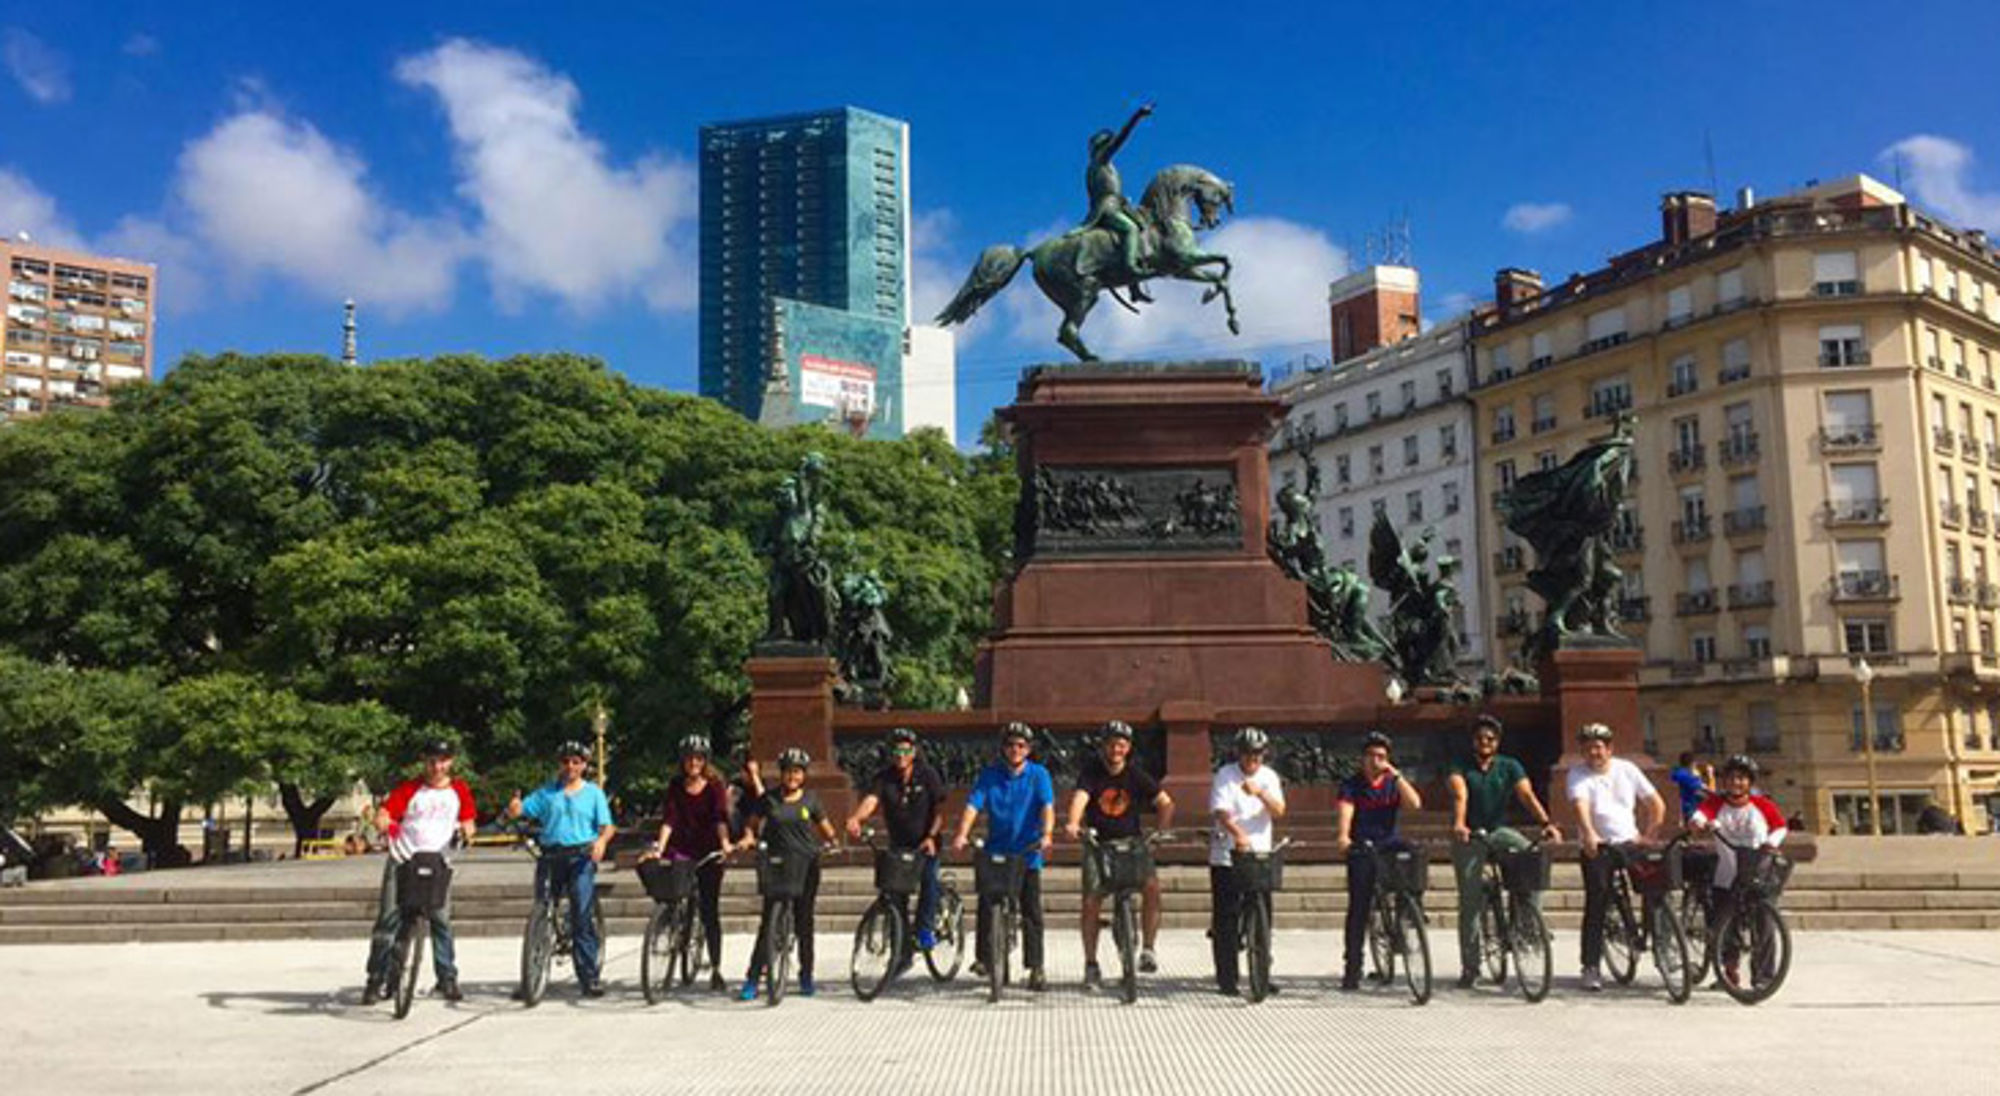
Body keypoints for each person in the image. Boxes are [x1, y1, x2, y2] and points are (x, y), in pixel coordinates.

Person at [1447, 715, 1561, 989]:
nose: (1485, 743)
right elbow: (1460, 796)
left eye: (1490, 738)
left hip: (1498, 830)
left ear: (1497, 742)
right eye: (1480, 738)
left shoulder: (1509, 765)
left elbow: (1527, 796)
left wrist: (1546, 824)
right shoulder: (1460, 765)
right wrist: (1460, 824)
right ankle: (1471, 967)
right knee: (1471, 901)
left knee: (1531, 857)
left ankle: (1529, 922)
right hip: (1470, 834)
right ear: (1473, 741)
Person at [363, 739, 476, 1005]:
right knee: (388, 920)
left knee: (441, 920)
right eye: (432, 761)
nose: (437, 766)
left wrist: (467, 832)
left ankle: (447, 977)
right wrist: (382, 821)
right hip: (404, 858)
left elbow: (469, 821)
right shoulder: (411, 789)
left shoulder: (459, 790)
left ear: (450, 762)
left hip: (439, 863)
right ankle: (375, 980)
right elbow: (386, 812)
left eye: (442, 760)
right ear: (425, 762)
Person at [1063, 720, 1175, 988]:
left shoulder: (1136, 774)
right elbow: (1081, 798)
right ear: (1104, 747)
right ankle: (1091, 963)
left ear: (1128, 748)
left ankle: (1148, 948)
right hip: (1098, 844)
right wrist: (1073, 823)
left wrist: (1161, 831)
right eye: (1112, 744)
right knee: (1091, 900)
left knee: (1151, 888)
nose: (1116, 749)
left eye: (1121, 745)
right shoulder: (1092, 772)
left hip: (1131, 844)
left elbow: (1165, 803)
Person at [951, 721, 1056, 992]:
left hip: (1027, 852)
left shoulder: (1039, 774)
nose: (1015, 750)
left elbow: (1047, 806)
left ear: (1029, 749)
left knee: (1031, 910)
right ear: (1003, 748)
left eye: (1021, 745)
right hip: (997, 849)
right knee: (988, 902)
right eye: (1010, 744)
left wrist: (1046, 834)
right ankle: (986, 959)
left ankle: (1036, 967)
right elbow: (974, 804)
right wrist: (962, 833)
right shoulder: (990, 775)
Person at [507, 741, 617, 998]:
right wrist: (515, 808)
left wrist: (601, 842)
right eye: (566, 761)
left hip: (580, 856)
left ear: (584, 766)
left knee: (581, 911)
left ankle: (589, 975)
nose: (570, 767)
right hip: (551, 854)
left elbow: (607, 826)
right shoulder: (547, 793)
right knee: (542, 908)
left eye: (576, 762)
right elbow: (523, 809)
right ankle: (532, 975)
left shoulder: (593, 794)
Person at [1566, 722, 1667, 992]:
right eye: (1588, 748)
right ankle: (1590, 965)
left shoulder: (1628, 769)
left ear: (1610, 749)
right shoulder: (1577, 774)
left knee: (1657, 887)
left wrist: (1650, 835)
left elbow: (1656, 803)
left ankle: (1664, 946)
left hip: (1631, 842)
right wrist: (1588, 834)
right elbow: (1580, 805)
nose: (1594, 752)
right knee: (1597, 900)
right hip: (1599, 847)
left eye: (1598, 747)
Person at [740, 747, 838, 999]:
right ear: (781, 774)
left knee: (804, 922)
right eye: (788, 772)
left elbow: (826, 828)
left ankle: (806, 974)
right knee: (767, 925)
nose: (792, 776)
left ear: (803, 775)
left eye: (797, 772)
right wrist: (749, 838)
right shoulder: (768, 799)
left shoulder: (811, 800)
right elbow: (751, 825)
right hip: (776, 863)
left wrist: (833, 842)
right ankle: (752, 978)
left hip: (806, 865)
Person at [845, 728, 948, 967]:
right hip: (899, 844)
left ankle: (924, 930)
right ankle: (902, 952)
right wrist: (856, 818)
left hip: (926, 842)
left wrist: (931, 836)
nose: (901, 755)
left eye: (906, 750)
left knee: (929, 880)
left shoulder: (928, 775)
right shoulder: (885, 777)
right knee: (895, 894)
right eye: (897, 750)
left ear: (914, 752)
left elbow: (941, 810)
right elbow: (871, 800)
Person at [1687, 754, 1787, 988]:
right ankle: (1728, 972)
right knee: (1725, 925)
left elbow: (1780, 826)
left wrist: (1771, 842)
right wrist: (1698, 822)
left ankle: (1763, 977)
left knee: (1764, 925)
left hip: (1757, 871)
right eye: (1731, 778)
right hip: (1727, 871)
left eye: (1742, 778)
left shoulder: (1762, 805)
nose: (1736, 783)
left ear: (1750, 782)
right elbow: (1701, 814)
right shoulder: (1716, 804)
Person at [1335, 731, 1424, 991]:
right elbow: (1345, 813)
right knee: (1359, 908)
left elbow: (1415, 804)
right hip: (1363, 844)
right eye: (1372, 756)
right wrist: (1343, 837)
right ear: (1362, 759)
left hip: (1389, 842)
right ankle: (1352, 969)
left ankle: (1410, 910)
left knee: (1415, 855)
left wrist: (1396, 775)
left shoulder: (1392, 782)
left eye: (1382, 756)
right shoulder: (1352, 785)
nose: (1376, 761)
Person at [648, 734, 733, 992]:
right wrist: (659, 847)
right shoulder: (676, 785)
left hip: (708, 849)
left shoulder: (715, 786)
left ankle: (716, 968)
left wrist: (725, 843)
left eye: (698, 758)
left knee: (709, 911)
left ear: (705, 760)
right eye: (688, 758)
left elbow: (720, 818)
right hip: (682, 848)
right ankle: (672, 926)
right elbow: (669, 820)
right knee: (672, 896)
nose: (693, 763)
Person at [1208, 726, 1286, 996]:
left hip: (1259, 854)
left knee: (1264, 912)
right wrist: (1238, 835)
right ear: (1238, 754)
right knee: (1227, 917)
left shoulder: (1269, 777)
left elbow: (1279, 810)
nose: (1252, 759)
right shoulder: (1225, 775)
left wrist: (1260, 793)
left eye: (1257, 754)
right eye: (1247, 754)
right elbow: (1221, 812)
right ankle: (1227, 978)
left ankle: (1261, 972)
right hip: (1228, 853)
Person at [1078, 102, 1156, 300]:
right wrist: (1137, 117)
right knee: (1129, 229)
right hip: (1107, 207)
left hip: (1116, 204)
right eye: (1108, 144)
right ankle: (1130, 267)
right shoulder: (1100, 161)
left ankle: (1134, 288)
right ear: (1102, 147)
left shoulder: (1102, 165)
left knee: (1143, 224)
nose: (1111, 148)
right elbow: (1122, 138)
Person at [1670, 752, 1713, 823]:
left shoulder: (1678, 773)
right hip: (1691, 810)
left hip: (1687, 809)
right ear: (1692, 763)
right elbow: (1709, 792)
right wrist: (1711, 776)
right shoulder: (1687, 777)